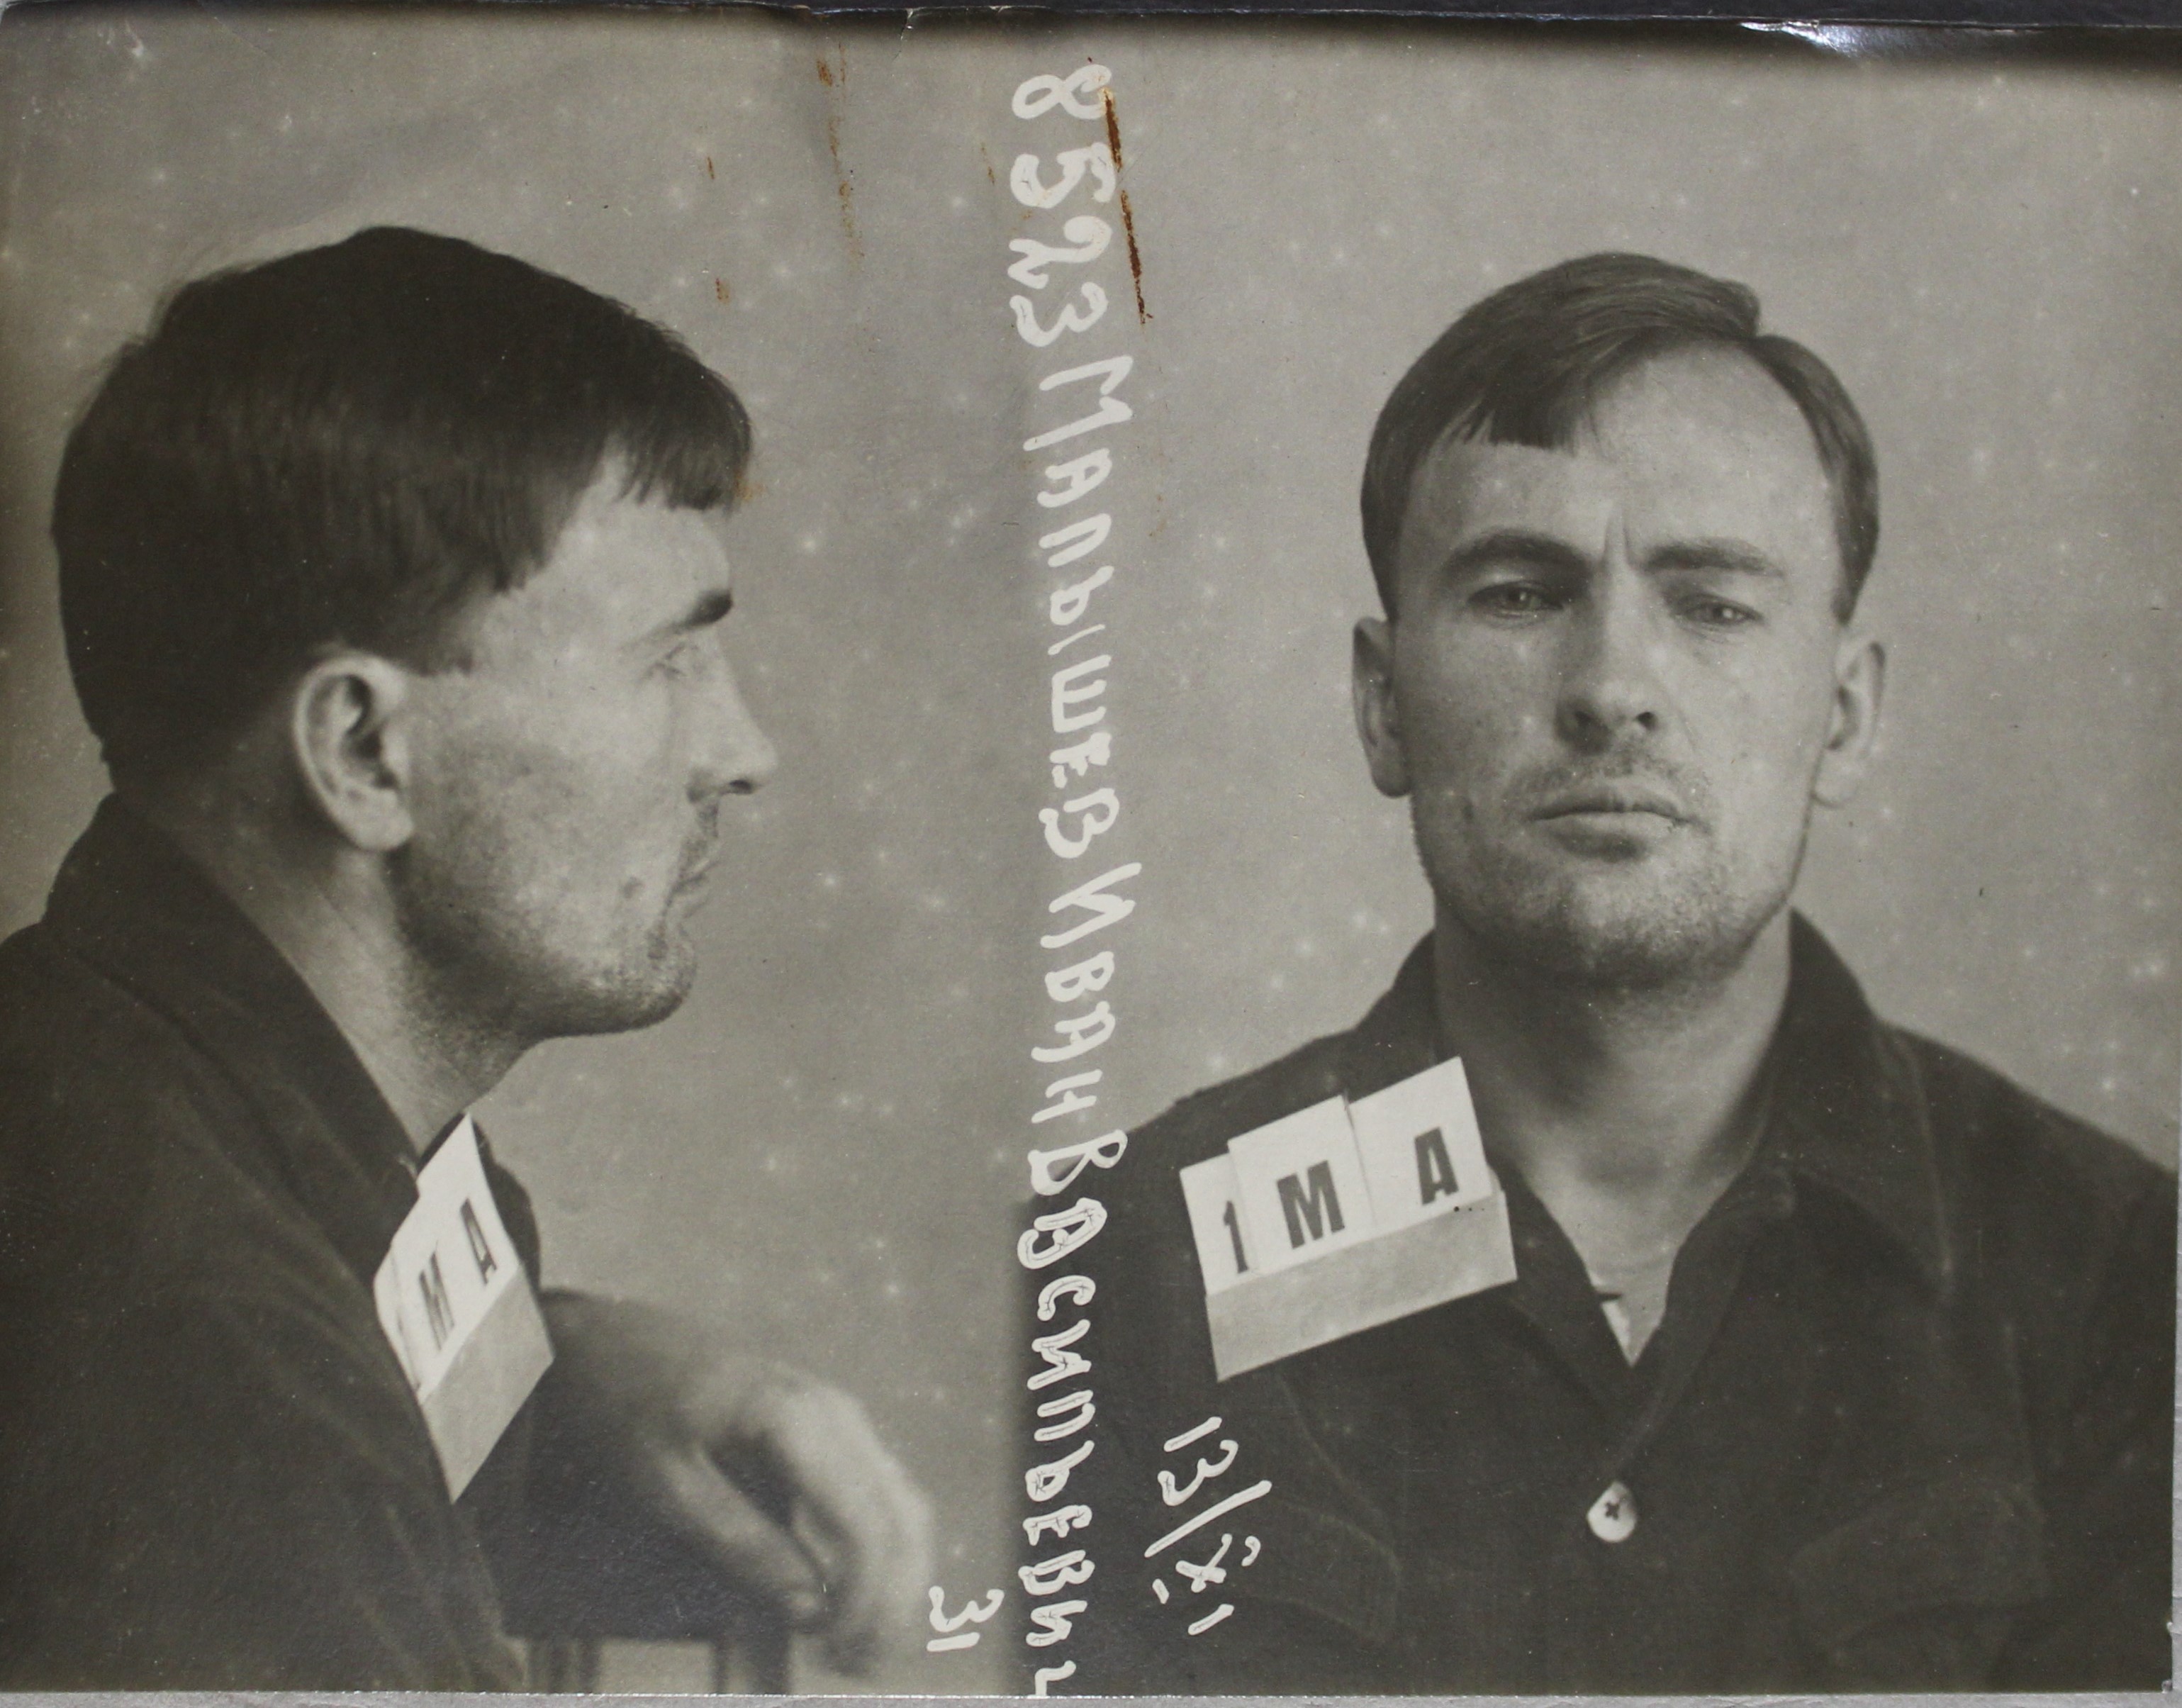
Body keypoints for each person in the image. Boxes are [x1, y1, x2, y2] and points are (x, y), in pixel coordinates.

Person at [1065, 254, 2175, 1694]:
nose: (1609, 688)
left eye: (1711, 606)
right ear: (1383, 705)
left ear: (1843, 718)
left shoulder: (2118, 1285)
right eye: (1521, 592)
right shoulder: (1116, 1280)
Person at [0, 227, 931, 1688]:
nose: (743, 752)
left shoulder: (142, 1081)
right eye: (668, 661)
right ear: (365, 751)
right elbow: (243, 1405)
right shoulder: (220, 1384)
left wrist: (567, 1369)